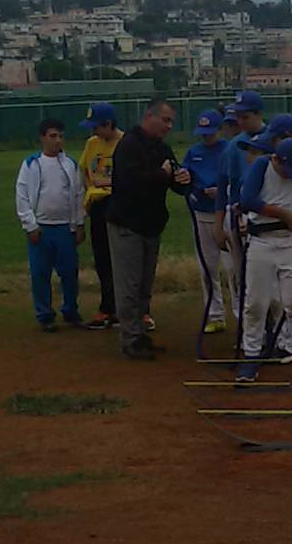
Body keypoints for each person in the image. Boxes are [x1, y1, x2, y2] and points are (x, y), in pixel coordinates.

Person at [107, 98, 191, 360]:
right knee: (129, 284)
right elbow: (132, 183)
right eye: (165, 120)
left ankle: (139, 333)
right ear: (149, 117)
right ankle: (129, 339)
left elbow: (173, 180)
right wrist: (162, 175)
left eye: (171, 122)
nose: (169, 126)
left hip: (151, 225)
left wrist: (183, 179)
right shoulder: (128, 146)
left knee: (144, 285)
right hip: (127, 224)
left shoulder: (161, 148)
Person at [236, 137, 292, 385]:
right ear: (276, 159)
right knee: (256, 304)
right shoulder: (262, 166)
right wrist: (283, 213)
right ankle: (251, 356)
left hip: (291, 241)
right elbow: (247, 200)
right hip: (262, 241)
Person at [15, 117, 85, 332]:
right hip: (42, 229)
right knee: (40, 274)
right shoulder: (31, 164)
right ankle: (44, 315)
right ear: (42, 138)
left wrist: (79, 224)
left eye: (61, 137)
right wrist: (30, 225)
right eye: (53, 136)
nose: (57, 141)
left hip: (64, 227)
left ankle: (70, 310)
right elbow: (22, 196)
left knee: (69, 274)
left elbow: (77, 196)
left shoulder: (70, 165)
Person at [213, 90, 267, 311]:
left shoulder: (274, 139)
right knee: (241, 273)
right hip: (240, 215)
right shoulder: (234, 146)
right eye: (238, 117)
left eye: (245, 116)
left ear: (258, 114)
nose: (240, 121)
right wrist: (220, 225)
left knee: (270, 274)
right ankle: (246, 323)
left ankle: (282, 327)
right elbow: (227, 188)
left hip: (269, 213)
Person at [182, 109, 229, 334]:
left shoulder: (229, 150)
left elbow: (240, 180)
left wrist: (222, 191)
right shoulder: (193, 152)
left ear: (220, 130)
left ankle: (243, 314)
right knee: (207, 268)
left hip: (227, 214)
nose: (206, 137)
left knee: (234, 268)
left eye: (210, 132)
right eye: (203, 133)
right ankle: (215, 314)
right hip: (201, 213)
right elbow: (184, 178)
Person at [78, 102, 123, 330]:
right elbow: (84, 169)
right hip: (97, 206)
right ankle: (107, 309)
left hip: (119, 205)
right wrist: (91, 189)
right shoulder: (92, 144)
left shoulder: (125, 144)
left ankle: (135, 311)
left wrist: (107, 184)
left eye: (96, 127)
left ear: (109, 124)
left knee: (125, 260)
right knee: (102, 259)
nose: (93, 131)